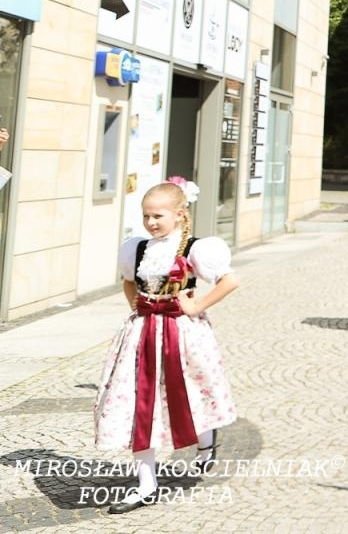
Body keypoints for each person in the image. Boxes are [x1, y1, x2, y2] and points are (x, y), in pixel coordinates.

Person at [94, 180, 238, 515]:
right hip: (142, 333)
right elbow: (129, 282)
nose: (151, 223)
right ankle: (146, 484)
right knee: (137, 400)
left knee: (190, 392)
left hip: (182, 334)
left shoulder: (198, 248)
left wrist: (195, 306)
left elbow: (230, 280)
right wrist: (139, 307)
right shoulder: (137, 248)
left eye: (158, 216)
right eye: (146, 216)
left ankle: (206, 443)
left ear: (180, 213)